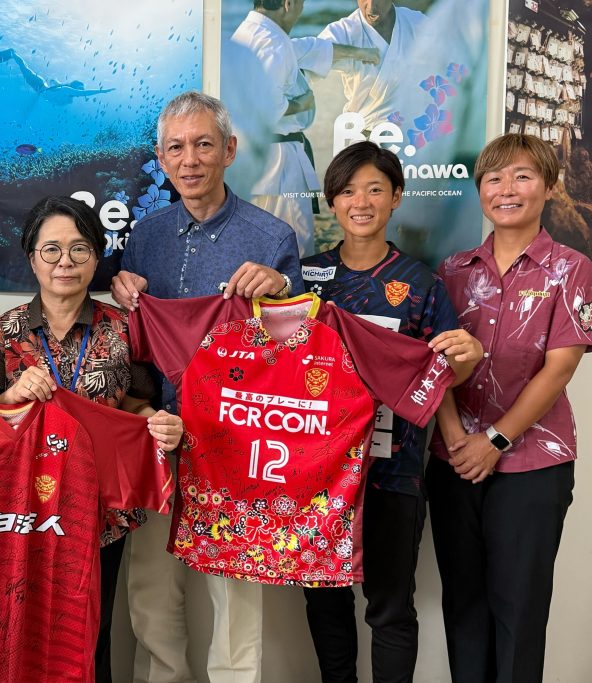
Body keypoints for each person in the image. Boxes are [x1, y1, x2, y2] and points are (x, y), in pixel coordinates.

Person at [111, 90, 302, 683]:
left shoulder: (272, 238)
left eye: (202, 145)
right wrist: (122, 292)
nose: (189, 160)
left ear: (230, 150)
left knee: (236, 590)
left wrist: (281, 292)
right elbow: (133, 343)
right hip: (156, 436)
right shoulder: (145, 237)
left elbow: (300, 351)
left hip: (237, 443)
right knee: (150, 587)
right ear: (161, 159)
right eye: (175, 148)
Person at [0, 195, 184, 682]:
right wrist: (10, 395)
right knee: (19, 622)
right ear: (32, 258)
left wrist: (160, 423)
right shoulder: (4, 331)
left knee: (92, 627)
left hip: (99, 508)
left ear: (96, 257)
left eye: (79, 249)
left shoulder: (123, 329)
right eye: (51, 249)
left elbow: (136, 404)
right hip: (21, 507)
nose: (64, 262)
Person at [298, 141, 481, 683]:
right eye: (348, 191)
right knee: (324, 601)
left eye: (375, 189)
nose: (361, 202)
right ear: (332, 201)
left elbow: (444, 375)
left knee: (390, 607)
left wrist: (466, 359)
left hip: (393, 473)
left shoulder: (422, 284)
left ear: (397, 197)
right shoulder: (304, 279)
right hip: (316, 474)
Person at [428, 133, 592, 682]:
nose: (507, 189)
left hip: (533, 464)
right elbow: (433, 365)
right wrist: (457, 440)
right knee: (464, 607)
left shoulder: (571, 268)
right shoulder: (452, 270)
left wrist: (494, 440)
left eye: (522, 176)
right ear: (480, 191)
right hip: (455, 462)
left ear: (548, 186)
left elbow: (560, 367)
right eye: (494, 178)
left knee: (518, 610)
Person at [230, 0, 377, 255]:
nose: (301, 10)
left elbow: (309, 49)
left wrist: (361, 53)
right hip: (279, 160)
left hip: (250, 156)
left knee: (257, 243)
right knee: (296, 241)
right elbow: (267, 106)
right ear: (288, 3)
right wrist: (303, 103)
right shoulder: (273, 42)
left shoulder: (246, 34)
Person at [293, 0, 427, 132]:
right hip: (366, 132)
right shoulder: (345, 31)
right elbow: (294, 55)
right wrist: (355, 52)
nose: (371, 6)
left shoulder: (416, 23)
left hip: (413, 131)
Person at [0, 48, 115, 105]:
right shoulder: (69, 91)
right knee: (24, 68)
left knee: (24, 69)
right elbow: (85, 93)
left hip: (39, 88)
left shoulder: (67, 95)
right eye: (80, 89)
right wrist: (102, 91)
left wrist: (54, 83)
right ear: (76, 87)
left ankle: (13, 55)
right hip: (39, 85)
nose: (80, 92)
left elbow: (56, 87)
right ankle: (12, 53)